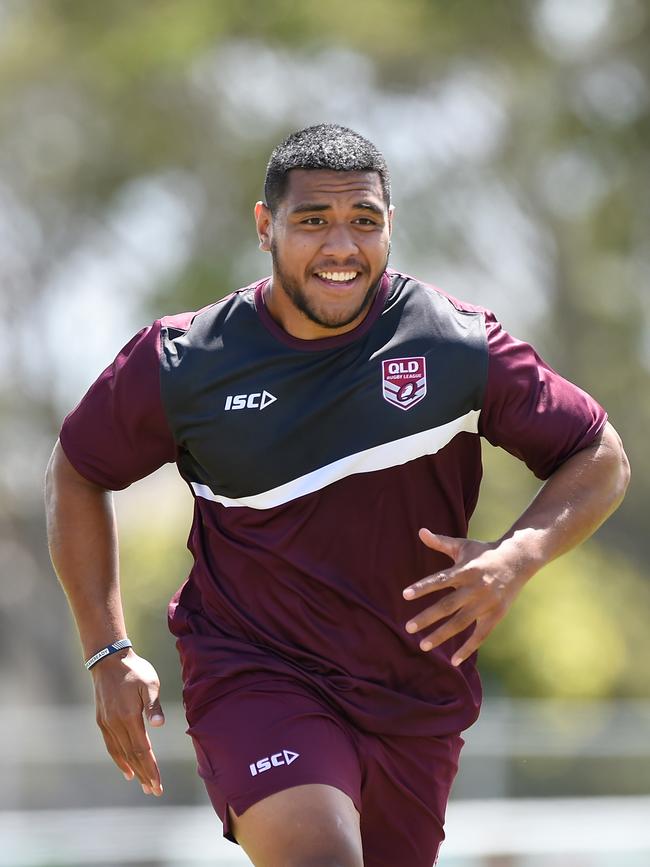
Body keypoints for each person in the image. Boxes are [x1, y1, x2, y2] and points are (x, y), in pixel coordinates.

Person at [45, 123, 630, 867]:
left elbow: (599, 454)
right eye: (313, 222)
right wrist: (108, 650)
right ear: (266, 227)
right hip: (256, 673)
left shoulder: (454, 344)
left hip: (411, 698)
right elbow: (77, 468)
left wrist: (516, 556)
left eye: (365, 222)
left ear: (391, 226)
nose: (341, 248)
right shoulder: (185, 361)